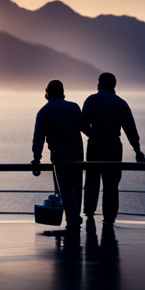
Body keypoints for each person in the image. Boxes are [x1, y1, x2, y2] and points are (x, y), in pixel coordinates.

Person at [82, 72, 145, 224]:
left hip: (95, 147)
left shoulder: (91, 100)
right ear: (114, 85)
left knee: (91, 183)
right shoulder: (121, 103)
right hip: (114, 147)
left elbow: (82, 124)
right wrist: (137, 151)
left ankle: (89, 215)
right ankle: (109, 220)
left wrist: (93, 135)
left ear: (99, 83)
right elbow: (131, 130)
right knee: (111, 186)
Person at [31, 80, 84, 231]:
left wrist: (36, 158)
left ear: (47, 93)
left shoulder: (44, 111)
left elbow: (38, 138)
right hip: (77, 152)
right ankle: (75, 217)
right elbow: (85, 128)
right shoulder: (73, 107)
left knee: (65, 188)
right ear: (62, 92)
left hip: (59, 154)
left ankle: (72, 220)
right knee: (77, 187)